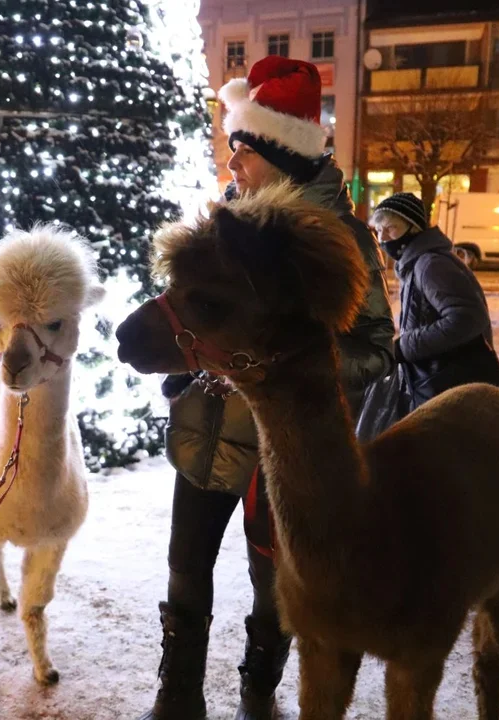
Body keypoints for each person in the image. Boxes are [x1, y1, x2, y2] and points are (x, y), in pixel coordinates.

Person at [138, 57, 395, 720]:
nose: (232, 166)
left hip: (285, 456)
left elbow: (374, 350)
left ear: (281, 155)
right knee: (184, 569)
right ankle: (179, 692)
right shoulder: (224, 232)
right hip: (203, 437)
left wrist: (283, 368)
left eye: (244, 151)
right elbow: (189, 318)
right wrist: (183, 366)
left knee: (274, 588)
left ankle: (259, 690)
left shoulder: (337, 241)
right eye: (232, 150)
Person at [370, 192, 499, 410]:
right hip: (435, 380)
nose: (383, 238)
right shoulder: (416, 263)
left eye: (391, 227)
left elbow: (467, 318)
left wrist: (405, 346)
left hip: (448, 382)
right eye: (379, 230)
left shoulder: (431, 265)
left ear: (414, 228)